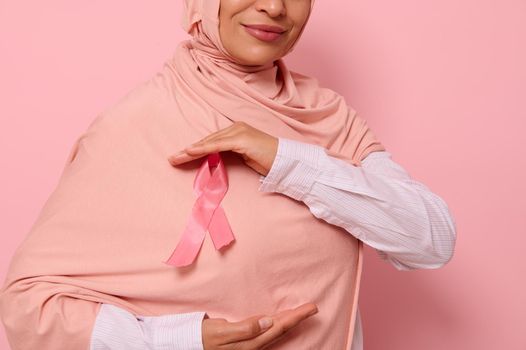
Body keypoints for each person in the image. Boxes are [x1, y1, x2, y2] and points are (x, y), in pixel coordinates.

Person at [0, 0, 457, 349]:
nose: (276, 7)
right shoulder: (134, 124)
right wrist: (188, 339)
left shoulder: (326, 116)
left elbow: (429, 241)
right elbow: (26, 310)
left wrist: (285, 159)